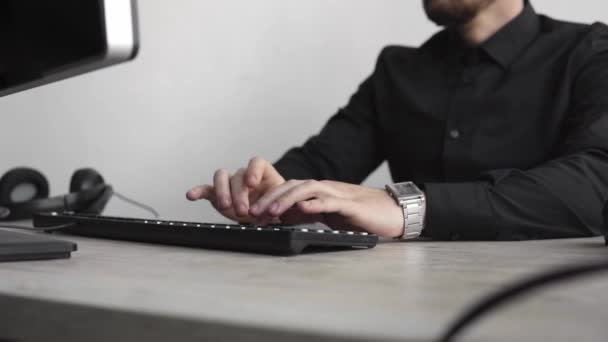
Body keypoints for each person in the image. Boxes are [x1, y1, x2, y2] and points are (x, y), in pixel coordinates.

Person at [187, 0, 608, 241]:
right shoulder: (398, 69)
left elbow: (596, 182)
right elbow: (324, 162)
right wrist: (270, 195)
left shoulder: (590, 51)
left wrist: (411, 207)